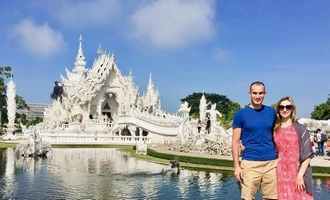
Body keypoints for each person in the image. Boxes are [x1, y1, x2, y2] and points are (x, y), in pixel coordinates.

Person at [232, 81, 277, 200]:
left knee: (272, 198)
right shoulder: (240, 114)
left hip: (271, 163)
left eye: (261, 93)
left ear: (265, 93)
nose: (258, 96)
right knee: (247, 198)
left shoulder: (271, 112)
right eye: (255, 93)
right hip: (250, 163)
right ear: (249, 93)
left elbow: (278, 134)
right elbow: (235, 141)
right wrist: (236, 166)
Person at [274, 96, 313, 199]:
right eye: (281, 107)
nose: (285, 109)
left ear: (292, 109)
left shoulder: (300, 128)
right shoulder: (274, 129)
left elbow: (307, 155)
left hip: (297, 172)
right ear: (278, 109)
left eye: (288, 107)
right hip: (279, 174)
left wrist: (300, 176)